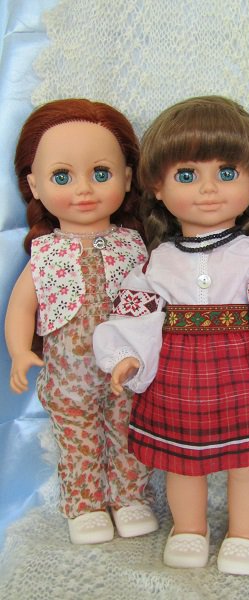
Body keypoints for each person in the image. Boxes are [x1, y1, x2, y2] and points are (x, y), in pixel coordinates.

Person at [93, 95, 249, 574]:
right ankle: (188, 528)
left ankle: (247, 533)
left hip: (246, 374)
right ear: (157, 187)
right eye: (186, 175)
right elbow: (138, 313)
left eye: (226, 173)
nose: (208, 189)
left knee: (248, 462)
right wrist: (126, 354)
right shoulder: (158, 262)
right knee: (181, 463)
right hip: (177, 379)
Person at [5, 99, 158, 545]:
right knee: (78, 439)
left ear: (127, 178)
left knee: (130, 432)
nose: (84, 190)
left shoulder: (134, 245)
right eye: (62, 177)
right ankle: (86, 504)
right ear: (34, 185)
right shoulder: (46, 252)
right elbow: (21, 307)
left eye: (101, 173)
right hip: (69, 375)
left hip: (128, 369)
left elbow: (156, 299)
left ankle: (130, 497)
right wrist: (20, 350)